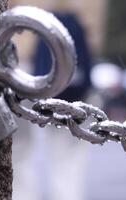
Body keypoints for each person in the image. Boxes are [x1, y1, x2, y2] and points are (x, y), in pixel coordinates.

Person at [34, 12, 92, 200]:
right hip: (76, 96)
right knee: (70, 160)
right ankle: (68, 195)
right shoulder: (74, 23)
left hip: (52, 96)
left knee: (25, 157)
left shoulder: (44, 24)